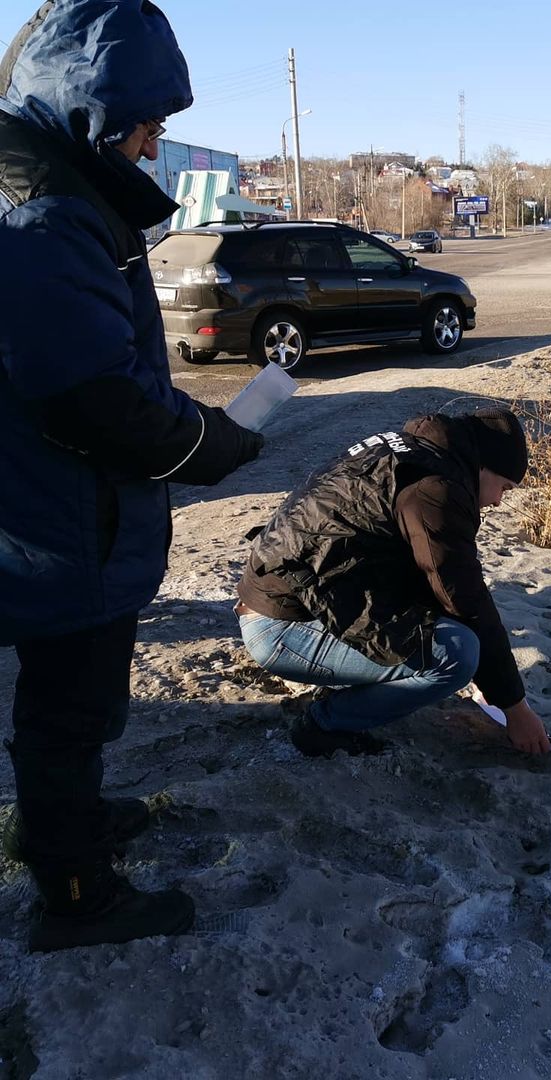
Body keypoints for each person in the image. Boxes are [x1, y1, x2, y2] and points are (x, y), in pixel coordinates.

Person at [0, 1, 264, 953]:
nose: (154, 152)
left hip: (59, 512)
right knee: (69, 708)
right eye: (148, 130)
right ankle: (75, 893)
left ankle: (60, 824)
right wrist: (209, 445)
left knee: (69, 699)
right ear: (92, 114)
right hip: (59, 521)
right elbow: (88, 397)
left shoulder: (53, 184)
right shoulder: (43, 211)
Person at [236, 409, 551, 758]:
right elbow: (466, 599)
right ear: (482, 466)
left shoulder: (405, 454)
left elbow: (432, 580)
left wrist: (491, 685)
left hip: (275, 595)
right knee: (458, 655)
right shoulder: (435, 491)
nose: (497, 501)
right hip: (280, 628)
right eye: (504, 487)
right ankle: (324, 724)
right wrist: (515, 709)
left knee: (447, 631)